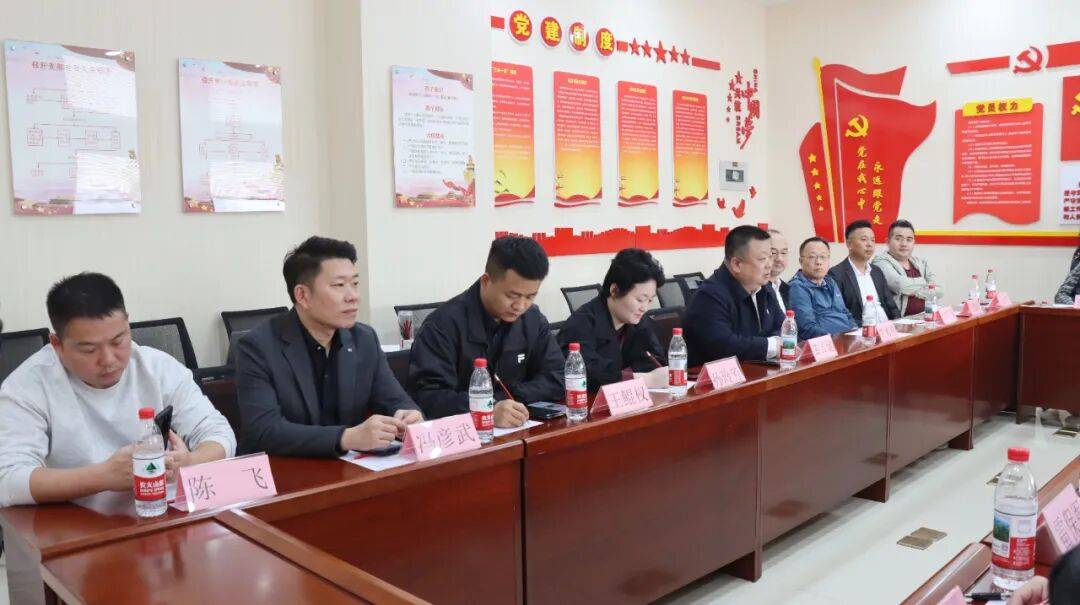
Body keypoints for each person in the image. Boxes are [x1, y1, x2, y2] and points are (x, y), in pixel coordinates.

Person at [0, 273, 235, 506]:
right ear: (57, 344)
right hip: (77, 523)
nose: (108, 360)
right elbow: (7, 480)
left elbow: (219, 433)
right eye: (89, 350)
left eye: (117, 341)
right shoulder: (28, 386)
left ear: (127, 325)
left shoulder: (158, 368)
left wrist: (191, 461)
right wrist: (104, 476)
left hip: (162, 513)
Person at [236, 236, 423, 458]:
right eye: (339, 285)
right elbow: (264, 431)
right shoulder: (258, 347)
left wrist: (410, 417)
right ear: (302, 295)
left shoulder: (364, 339)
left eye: (355, 284)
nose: (353, 296)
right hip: (283, 470)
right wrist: (346, 437)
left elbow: (395, 399)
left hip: (348, 469)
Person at [409, 236, 564, 426]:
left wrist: (511, 399)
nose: (520, 306)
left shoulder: (532, 319)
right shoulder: (442, 326)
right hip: (465, 435)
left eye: (530, 297)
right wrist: (486, 409)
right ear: (486, 281)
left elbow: (558, 376)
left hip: (522, 428)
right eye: (512, 295)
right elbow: (429, 397)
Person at [557, 248, 667, 393]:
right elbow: (587, 374)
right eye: (640, 299)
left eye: (650, 300)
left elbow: (655, 360)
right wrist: (645, 379)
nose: (644, 308)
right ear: (614, 290)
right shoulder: (580, 324)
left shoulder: (638, 320)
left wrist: (629, 376)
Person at [683, 225, 783, 365]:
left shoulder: (764, 288)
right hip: (716, 376)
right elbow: (724, 346)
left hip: (759, 370)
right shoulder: (709, 296)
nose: (769, 265)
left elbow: (782, 326)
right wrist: (771, 346)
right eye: (762, 259)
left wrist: (779, 341)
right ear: (736, 264)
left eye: (770, 256)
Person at [829, 220, 900, 323]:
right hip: (861, 329)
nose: (869, 244)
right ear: (849, 244)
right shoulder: (836, 274)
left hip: (887, 328)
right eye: (864, 239)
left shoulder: (876, 271)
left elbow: (892, 307)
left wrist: (899, 324)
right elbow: (840, 314)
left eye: (873, 240)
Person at [787, 237, 857, 340]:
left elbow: (846, 314)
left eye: (823, 257)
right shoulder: (797, 287)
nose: (818, 262)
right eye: (812, 257)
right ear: (801, 261)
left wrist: (855, 331)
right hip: (826, 343)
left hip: (846, 339)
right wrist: (836, 339)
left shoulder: (830, 281)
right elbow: (807, 328)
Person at [871, 219, 940, 316]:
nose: (904, 244)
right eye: (898, 239)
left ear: (914, 242)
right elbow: (901, 286)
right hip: (898, 321)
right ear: (887, 241)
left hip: (925, 318)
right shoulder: (880, 261)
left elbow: (940, 290)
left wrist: (913, 290)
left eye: (909, 239)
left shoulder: (921, 262)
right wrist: (926, 284)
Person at [767, 229, 791, 312]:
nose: (779, 258)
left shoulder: (785, 288)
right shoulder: (755, 290)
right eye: (773, 253)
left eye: (783, 253)